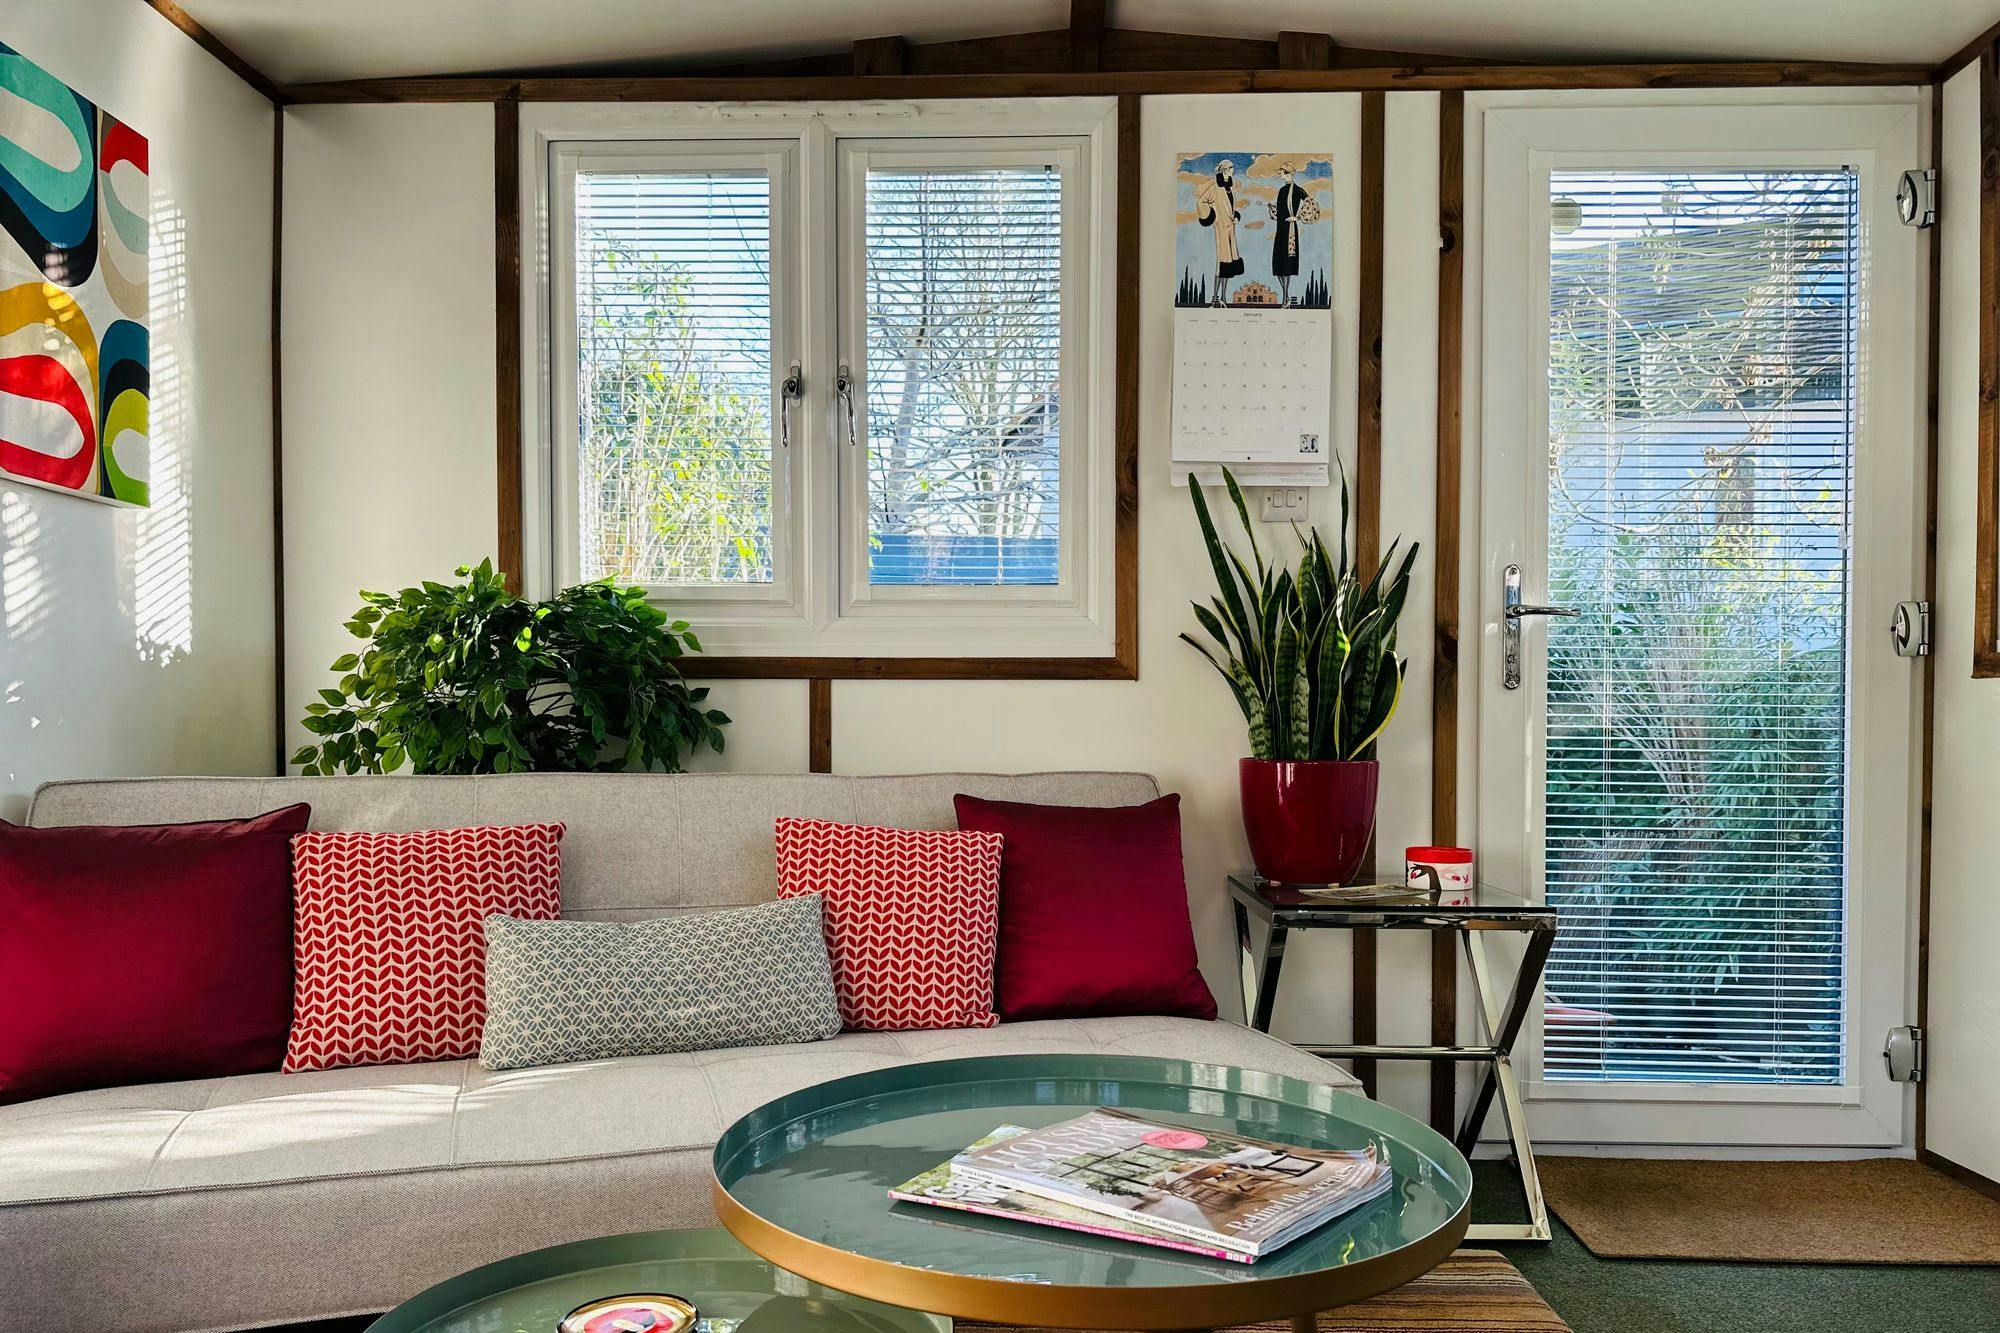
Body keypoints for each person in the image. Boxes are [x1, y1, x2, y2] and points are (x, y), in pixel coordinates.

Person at [1193, 159, 1244, 306]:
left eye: (1232, 167)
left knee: (1228, 265)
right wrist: (1212, 217)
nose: (1233, 170)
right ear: (1224, 170)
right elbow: (1201, 202)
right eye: (1230, 168)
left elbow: (1230, 208)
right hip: (1221, 228)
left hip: (1230, 229)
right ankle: (1215, 299)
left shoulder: (1229, 188)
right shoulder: (1215, 188)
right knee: (1221, 264)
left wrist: (1236, 218)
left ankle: (1223, 298)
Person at [1272, 163, 1307, 306]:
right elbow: (1278, 211)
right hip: (1280, 229)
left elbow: (1310, 204)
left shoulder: (1298, 190)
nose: (1281, 175)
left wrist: (1297, 217)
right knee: (1278, 266)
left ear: (1289, 173)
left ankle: (1285, 299)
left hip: (1290, 230)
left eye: (1282, 172)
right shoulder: (1281, 190)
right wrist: (1271, 208)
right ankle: (1286, 297)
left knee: (1286, 266)